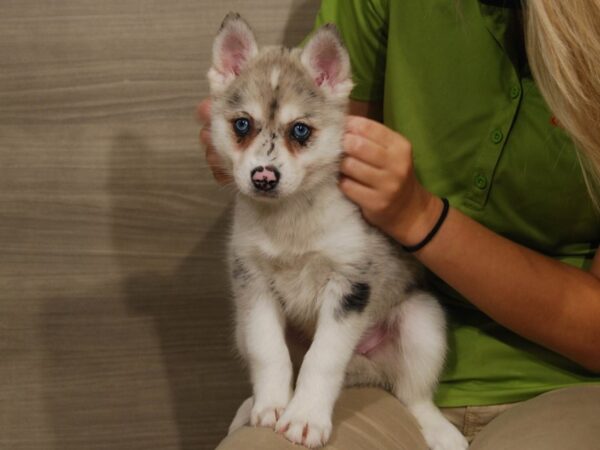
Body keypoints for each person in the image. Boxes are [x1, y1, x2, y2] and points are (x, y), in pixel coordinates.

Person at [203, 0, 600, 448]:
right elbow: (334, 127)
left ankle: (418, 404)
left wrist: (419, 216)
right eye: (242, 127)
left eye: (297, 135)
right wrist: (275, 382)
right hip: (347, 361)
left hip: (554, 381)